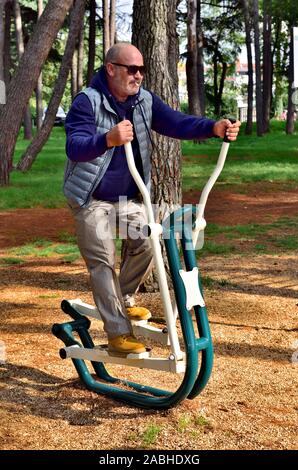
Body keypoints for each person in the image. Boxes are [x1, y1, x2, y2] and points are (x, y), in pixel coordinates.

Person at [64, 43, 241, 356]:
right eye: (132, 69)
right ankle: (118, 333)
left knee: (148, 242)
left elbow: (175, 122)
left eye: (142, 70)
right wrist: (107, 139)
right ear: (111, 69)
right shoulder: (86, 102)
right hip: (91, 199)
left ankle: (122, 300)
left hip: (127, 197)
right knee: (102, 262)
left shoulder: (143, 101)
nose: (139, 76)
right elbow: (75, 147)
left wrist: (212, 127)